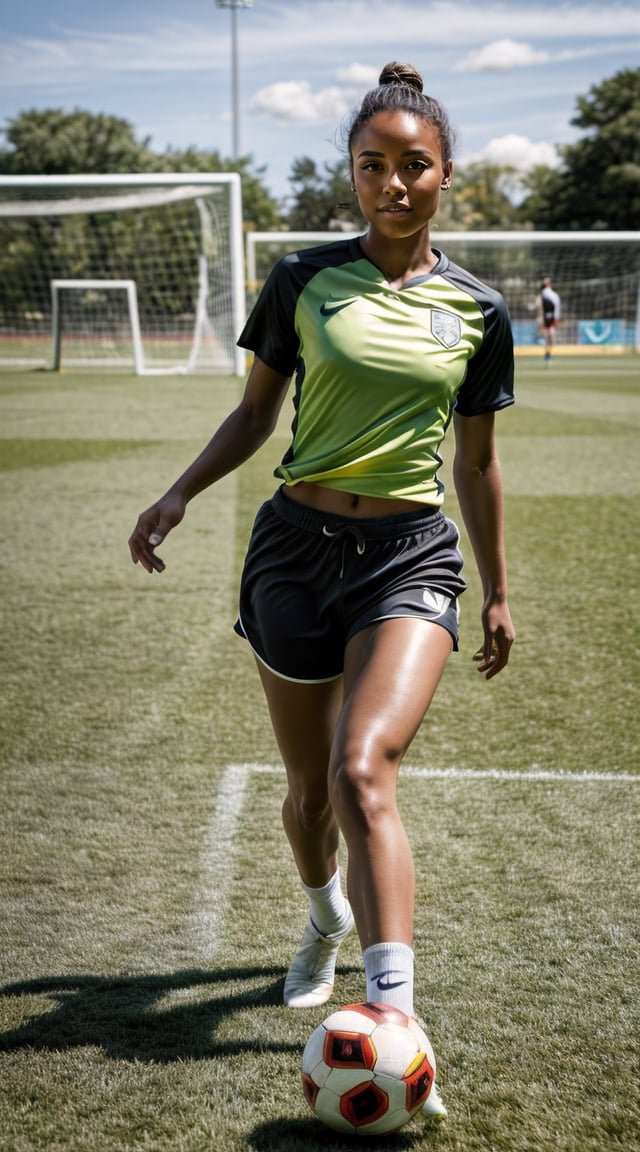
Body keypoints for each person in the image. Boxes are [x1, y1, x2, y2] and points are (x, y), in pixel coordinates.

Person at [128, 61, 515, 1122]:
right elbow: (256, 416)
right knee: (308, 795)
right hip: (294, 552)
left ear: (446, 174)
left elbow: (476, 463)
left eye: (413, 166)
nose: (393, 184)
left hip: (410, 556)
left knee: (363, 766)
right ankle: (319, 917)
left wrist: (493, 590)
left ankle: (394, 1015)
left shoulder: (478, 309)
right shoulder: (303, 279)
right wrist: (177, 495)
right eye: (372, 166)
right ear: (353, 174)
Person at [536, 275, 561, 364]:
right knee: (547, 336)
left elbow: (557, 307)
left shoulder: (553, 295)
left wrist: (556, 319)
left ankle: (548, 354)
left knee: (550, 336)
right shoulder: (542, 294)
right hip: (545, 318)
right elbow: (539, 306)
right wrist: (540, 317)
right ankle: (547, 355)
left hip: (551, 318)